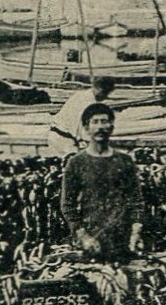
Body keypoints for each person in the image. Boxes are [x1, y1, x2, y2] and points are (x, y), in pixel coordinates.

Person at [60, 102, 144, 261]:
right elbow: (67, 205)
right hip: (91, 241)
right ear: (86, 127)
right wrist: (84, 237)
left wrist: (135, 233)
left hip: (122, 240)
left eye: (104, 121)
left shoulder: (124, 161)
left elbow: (136, 200)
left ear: (111, 126)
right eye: (95, 122)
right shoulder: (76, 163)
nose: (100, 127)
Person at [49, 76, 118, 155]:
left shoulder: (81, 94)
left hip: (56, 134)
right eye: (106, 93)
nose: (106, 97)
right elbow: (81, 127)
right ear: (101, 90)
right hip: (64, 139)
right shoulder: (87, 102)